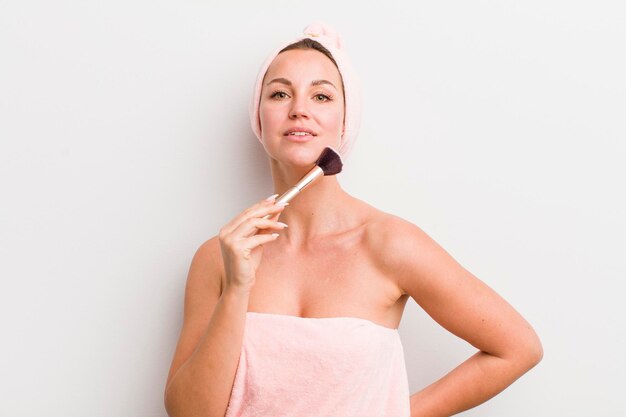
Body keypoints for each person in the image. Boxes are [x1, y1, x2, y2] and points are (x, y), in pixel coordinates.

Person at [163, 23, 543, 417]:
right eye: (279, 93)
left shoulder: (389, 243)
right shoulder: (219, 257)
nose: (299, 108)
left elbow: (517, 349)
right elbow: (189, 413)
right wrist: (238, 288)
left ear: (346, 122)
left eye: (321, 95)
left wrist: (395, 413)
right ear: (259, 120)